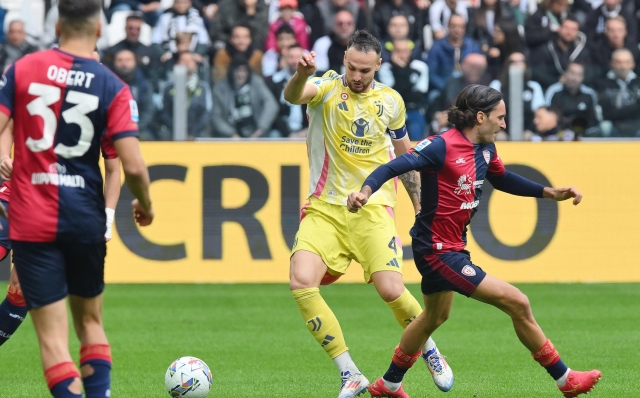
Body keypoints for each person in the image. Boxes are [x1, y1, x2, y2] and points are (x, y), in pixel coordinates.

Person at [346, 84, 602, 398]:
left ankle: (388, 384)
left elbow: (503, 178)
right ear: (480, 116)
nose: (504, 124)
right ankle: (566, 380)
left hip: (454, 246)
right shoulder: (440, 145)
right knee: (518, 302)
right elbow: (393, 166)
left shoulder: (486, 148)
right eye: (501, 117)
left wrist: (548, 193)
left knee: (435, 317)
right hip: (436, 250)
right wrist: (365, 192)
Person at [283, 29, 454, 398]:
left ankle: (428, 348)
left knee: (391, 289)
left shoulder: (391, 101)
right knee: (300, 281)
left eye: (365, 70)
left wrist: (421, 207)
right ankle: (350, 374)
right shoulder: (326, 87)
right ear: (344, 59)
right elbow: (295, 95)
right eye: (351, 67)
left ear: (379, 64)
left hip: (374, 208)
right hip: (324, 208)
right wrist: (300, 74)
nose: (357, 76)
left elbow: (407, 156)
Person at [0, 1, 154, 397]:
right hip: (84, 218)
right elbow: (132, 166)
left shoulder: (21, 70)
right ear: (100, 30)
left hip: (32, 217)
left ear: (56, 25)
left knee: (52, 338)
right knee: (90, 324)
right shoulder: (112, 86)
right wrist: (145, 205)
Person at [0, 106, 122, 346]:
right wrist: (4, 156)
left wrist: (107, 220)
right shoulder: (41, 85)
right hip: (16, 195)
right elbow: (9, 125)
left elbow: (114, 170)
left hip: (56, 209)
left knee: (20, 289)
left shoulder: (105, 105)